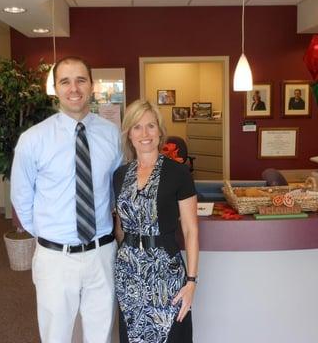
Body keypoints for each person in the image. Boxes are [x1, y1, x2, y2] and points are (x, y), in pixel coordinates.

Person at [11, 56, 122, 343]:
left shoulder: (111, 135)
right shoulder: (33, 139)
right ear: (56, 89)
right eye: (65, 81)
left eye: (81, 80)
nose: (74, 88)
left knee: (101, 335)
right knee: (56, 336)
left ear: (92, 86)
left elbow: (115, 188)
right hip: (55, 259)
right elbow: (21, 198)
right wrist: (49, 238)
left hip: (101, 253)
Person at [113, 99, 199, 343]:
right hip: (129, 273)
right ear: (129, 133)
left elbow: (191, 230)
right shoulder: (120, 175)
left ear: (160, 131)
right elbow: (121, 227)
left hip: (166, 274)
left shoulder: (178, 173)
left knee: (171, 335)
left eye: (151, 126)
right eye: (137, 127)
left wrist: (191, 282)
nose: (145, 134)